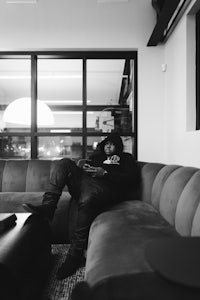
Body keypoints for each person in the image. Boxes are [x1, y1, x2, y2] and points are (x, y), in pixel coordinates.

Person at [23, 132, 141, 280]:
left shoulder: (126, 159)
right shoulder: (97, 157)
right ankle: (48, 207)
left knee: (89, 196)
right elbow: (86, 169)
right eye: (106, 144)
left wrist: (104, 173)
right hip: (86, 184)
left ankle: (75, 254)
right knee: (65, 163)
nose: (108, 147)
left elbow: (131, 179)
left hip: (106, 190)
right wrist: (87, 168)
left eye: (112, 144)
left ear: (118, 146)